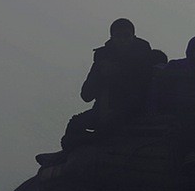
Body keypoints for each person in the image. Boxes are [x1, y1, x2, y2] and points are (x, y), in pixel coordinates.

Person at [37, 19, 154, 167]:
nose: (123, 41)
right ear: (112, 37)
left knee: (107, 131)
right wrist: (100, 73)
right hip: (102, 110)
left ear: (133, 37)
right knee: (74, 126)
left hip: (133, 111)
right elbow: (86, 95)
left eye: (126, 36)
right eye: (119, 37)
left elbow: (144, 87)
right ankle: (66, 153)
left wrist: (119, 74)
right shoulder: (103, 58)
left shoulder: (143, 56)